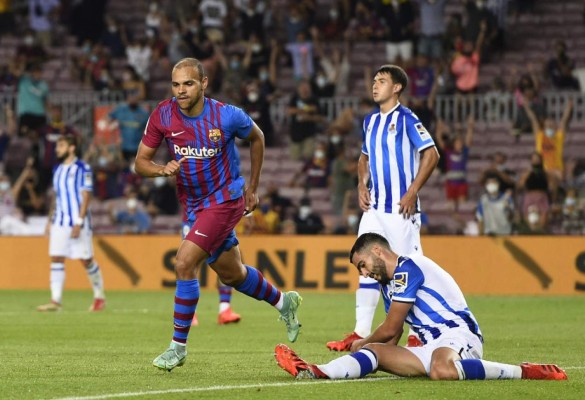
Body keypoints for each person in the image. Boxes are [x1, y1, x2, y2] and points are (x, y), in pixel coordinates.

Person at [134, 57, 302, 372]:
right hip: (195, 205)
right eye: (176, 84)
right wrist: (161, 169)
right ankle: (284, 302)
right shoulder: (163, 115)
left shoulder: (226, 116)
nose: (181, 91)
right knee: (232, 274)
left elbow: (258, 137)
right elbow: (140, 162)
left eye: (188, 83)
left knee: (184, 262)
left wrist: (253, 187)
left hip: (225, 199)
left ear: (204, 83)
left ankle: (177, 348)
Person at [275, 233, 568, 381]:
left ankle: (525, 371)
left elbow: (390, 327)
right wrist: (368, 347)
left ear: (377, 251)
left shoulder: (408, 267)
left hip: (458, 336)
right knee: (375, 353)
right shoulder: (388, 283)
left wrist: (360, 341)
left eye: (362, 265)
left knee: (441, 369)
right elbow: (393, 336)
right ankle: (315, 371)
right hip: (429, 345)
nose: (363, 274)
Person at [326, 65, 439, 352]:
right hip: (375, 207)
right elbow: (363, 158)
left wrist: (413, 190)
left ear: (397, 87)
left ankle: (417, 334)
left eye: (382, 81)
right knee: (365, 265)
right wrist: (361, 185)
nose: (375, 85)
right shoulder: (370, 122)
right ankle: (359, 332)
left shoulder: (407, 119)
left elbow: (432, 153)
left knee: (405, 270)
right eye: (374, 80)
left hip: (401, 210)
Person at [37, 134, 106, 312]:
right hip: (59, 220)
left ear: (71, 147)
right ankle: (55, 301)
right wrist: (49, 220)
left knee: (86, 260)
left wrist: (79, 221)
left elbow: (86, 195)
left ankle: (99, 297)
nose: (57, 149)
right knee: (56, 257)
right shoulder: (57, 169)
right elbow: (56, 197)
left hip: (78, 221)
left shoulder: (83, 168)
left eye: (60, 146)